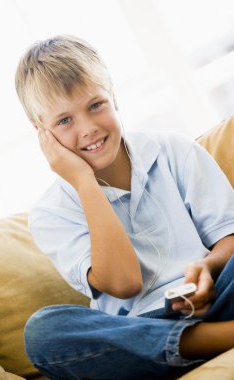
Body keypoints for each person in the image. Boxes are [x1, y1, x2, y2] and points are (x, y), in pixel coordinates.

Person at [15, 35, 234, 380]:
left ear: (113, 96)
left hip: (217, 296)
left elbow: (229, 240)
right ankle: (208, 341)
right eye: (64, 121)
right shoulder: (50, 214)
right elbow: (126, 282)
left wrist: (207, 265)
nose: (88, 129)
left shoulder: (174, 151)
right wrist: (85, 183)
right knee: (43, 332)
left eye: (95, 105)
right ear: (42, 133)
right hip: (138, 331)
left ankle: (199, 342)